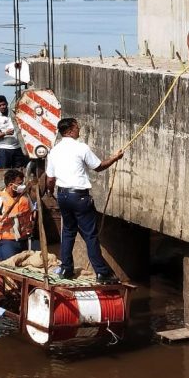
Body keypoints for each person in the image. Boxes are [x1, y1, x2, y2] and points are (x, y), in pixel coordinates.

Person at [44, 118, 124, 283]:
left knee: (68, 232)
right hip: (79, 196)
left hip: (63, 195)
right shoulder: (81, 147)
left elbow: (50, 179)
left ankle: (66, 268)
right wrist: (115, 158)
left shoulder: (54, 150)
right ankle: (101, 272)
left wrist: (51, 191)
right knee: (90, 235)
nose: (79, 128)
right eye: (77, 126)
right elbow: (99, 166)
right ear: (71, 130)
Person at [0, 95, 26, 168]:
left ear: (7, 104)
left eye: (4, 104)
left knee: (19, 171)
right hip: (3, 148)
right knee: (4, 171)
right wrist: (5, 133)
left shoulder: (15, 113)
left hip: (17, 147)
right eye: (0, 105)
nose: (2, 107)